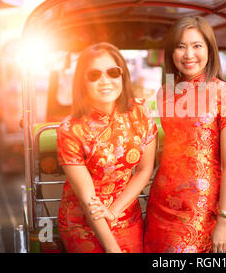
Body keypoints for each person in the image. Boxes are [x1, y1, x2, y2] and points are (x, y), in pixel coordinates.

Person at [143, 16, 226, 253]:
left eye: (197, 46)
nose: (188, 54)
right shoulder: (164, 93)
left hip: (200, 208)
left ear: (210, 49)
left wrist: (223, 220)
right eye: (180, 46)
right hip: (160, 203)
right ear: (171, 52)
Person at [56, 42, 157, 253]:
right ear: (82, 82)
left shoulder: (140, 111)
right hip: (82, 222)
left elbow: (144, 170)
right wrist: (112, 248)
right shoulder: (70, 129)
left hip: (126, 216)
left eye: (113, 72)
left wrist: (113, 211)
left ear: (122, 75)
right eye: (94, 75)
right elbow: (87, 200)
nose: (105, 81)